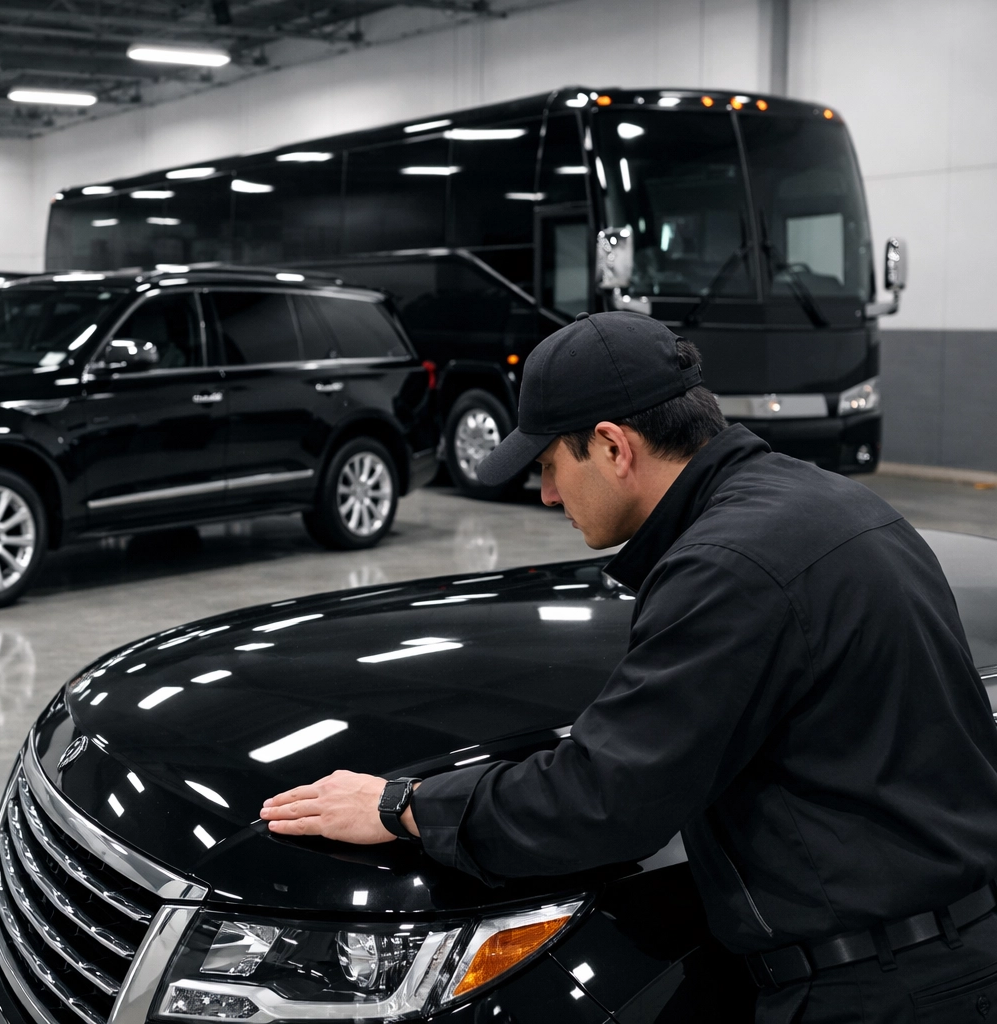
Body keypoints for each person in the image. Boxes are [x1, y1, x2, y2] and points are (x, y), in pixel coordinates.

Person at [261, 311, 997, 1023]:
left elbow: (602, 802)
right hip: (951, 950)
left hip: (877, 985)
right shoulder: (828, 504)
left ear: (614, 447)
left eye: (550, 466)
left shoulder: (727, 567)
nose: (547, 495)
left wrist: (403, 806)